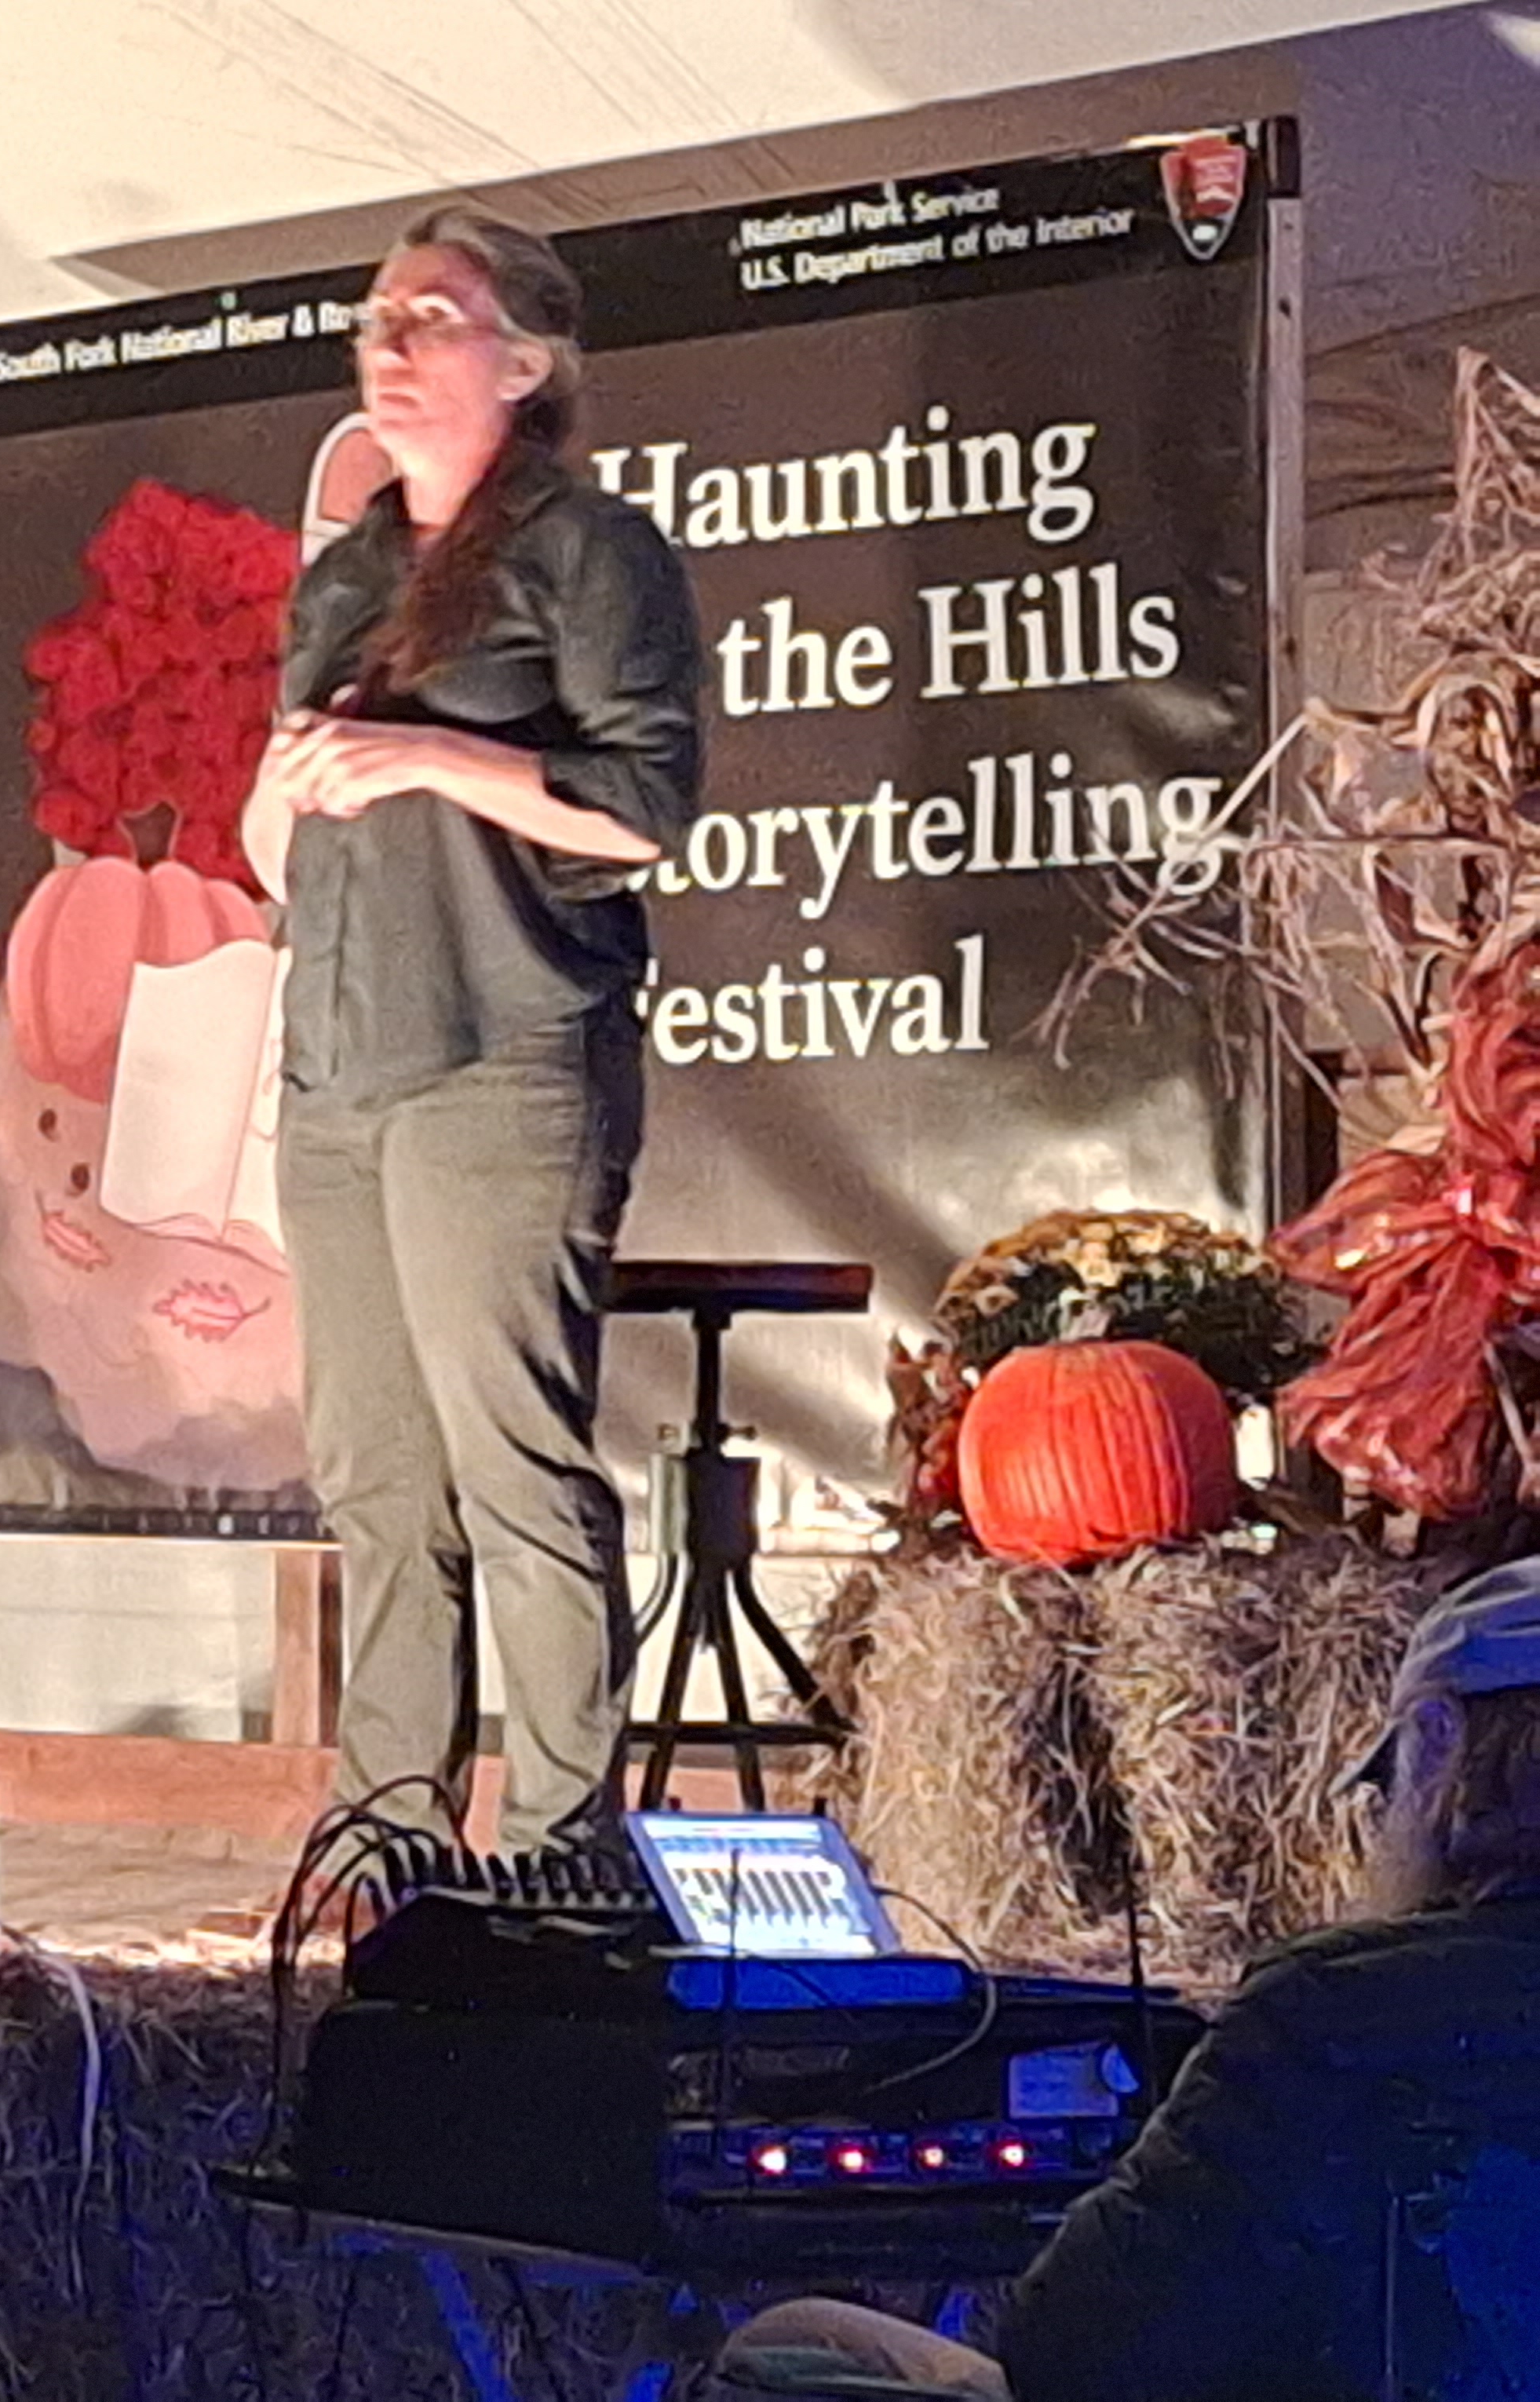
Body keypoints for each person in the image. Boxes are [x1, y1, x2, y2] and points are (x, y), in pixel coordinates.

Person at [244, 208, 702, 1859]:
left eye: (433, 315)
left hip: (502, 1055)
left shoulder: (589, 550)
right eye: (376, 313)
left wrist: (431, 759)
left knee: (511, 1466)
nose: (390, 338)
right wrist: (286, 792)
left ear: (526, 362)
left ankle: (561, 1853)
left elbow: (644, 808)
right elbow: (277, 847)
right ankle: (387, 1847)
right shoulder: (350, 571)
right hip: (338, 1070)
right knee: (375, 1483)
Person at [712, 1558, 1540, 2402]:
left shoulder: (1334, 2014)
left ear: (1438, 1742)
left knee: (801, 2342)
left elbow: (1074, 2350)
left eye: (1388, 1779)